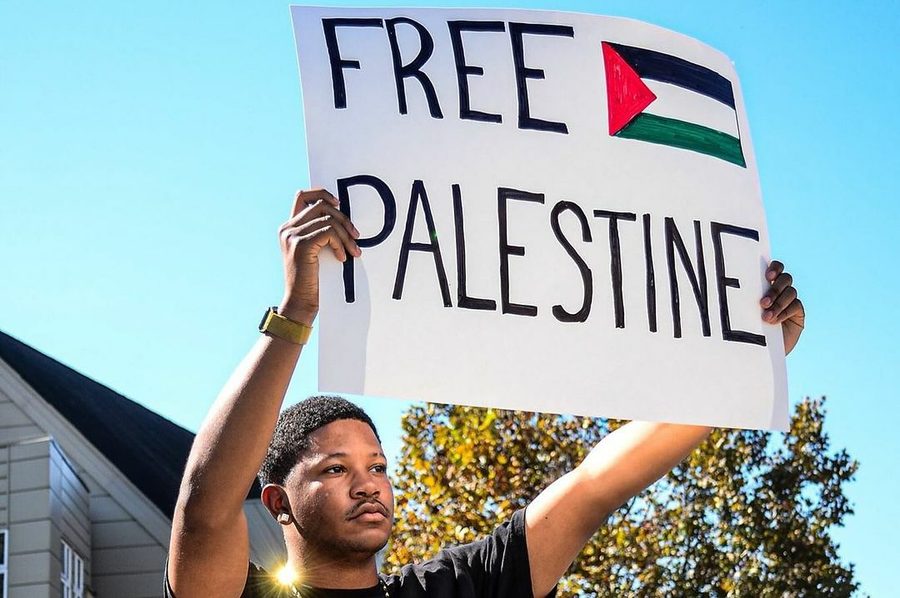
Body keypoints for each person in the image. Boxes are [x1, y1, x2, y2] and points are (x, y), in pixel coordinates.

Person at [165, 189, 805, 598]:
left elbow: (593, 487)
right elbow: (205, 504)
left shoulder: (462, 588)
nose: (369, 485)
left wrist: (742, 365)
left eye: (378, 468)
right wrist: (299, 309)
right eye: (336, 469)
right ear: (277, 500)